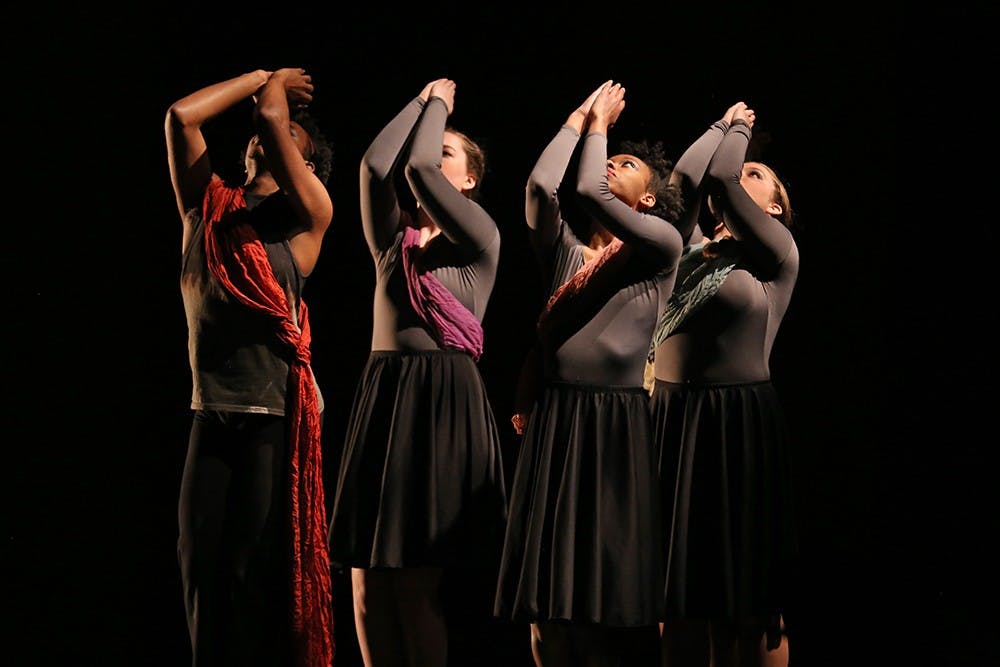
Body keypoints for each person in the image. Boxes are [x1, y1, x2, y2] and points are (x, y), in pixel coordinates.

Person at [494, 80, 684, 667]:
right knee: (549, 596)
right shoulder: (569, 256)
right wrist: (577, 119)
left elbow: (583, 185)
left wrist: (600, 126)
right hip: (558, 420)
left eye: (625, 166)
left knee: (614, 596)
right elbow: (539, 188)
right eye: (612, 157)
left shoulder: (659, 246)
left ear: (648, 200)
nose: (608, 167)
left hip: (615, 426)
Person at [326, 78, 508, 667]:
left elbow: (420, 170)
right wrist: (420, 102)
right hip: (387, 395)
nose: (428, 158)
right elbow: (377, 165)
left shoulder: (479, 236)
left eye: (447, 151)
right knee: (366, 581)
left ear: (470, 180)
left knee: (414, 584)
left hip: (439, 400)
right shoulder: (393, 242)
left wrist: (441, 105)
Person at [165, 68, 336, 667]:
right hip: (211, 413)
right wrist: (264, 76)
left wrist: (275, 98)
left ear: (305, 163)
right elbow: (182, 117)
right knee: (198, 567)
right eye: (265, 136)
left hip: (273, 419)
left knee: (250, 571)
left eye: (292, 136)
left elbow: (267, 116)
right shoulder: (205, 210)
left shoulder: (309, 217)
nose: (269, 136)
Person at [647, 102, 798, 667]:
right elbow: (684, 185)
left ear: (776, 208)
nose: (743, 173)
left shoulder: (776, 256)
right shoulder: (683, 252)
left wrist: (740, 129)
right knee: (680, 599)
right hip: (676, 425)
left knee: (745, 601)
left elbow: (718, 179)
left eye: (757, 175)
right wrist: (717, 126)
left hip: (736, 427)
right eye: (746, 167)